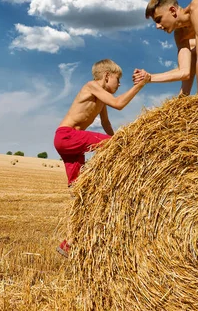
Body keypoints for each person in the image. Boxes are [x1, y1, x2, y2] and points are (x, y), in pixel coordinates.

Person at [54, 58, 149, 257]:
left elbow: (105, 124)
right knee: (113, 146)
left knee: (80, 193)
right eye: (118, 79)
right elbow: (119, 104)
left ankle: (69, 243)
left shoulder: (101, 97)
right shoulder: (91, 87)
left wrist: (116, 143)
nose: (120, 83)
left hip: (70, 144)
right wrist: (139, 86)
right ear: (106, 76)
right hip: (67, 135)